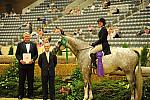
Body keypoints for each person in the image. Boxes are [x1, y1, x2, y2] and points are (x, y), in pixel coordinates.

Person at [15, 32, 38, 100]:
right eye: (26, 37)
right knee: (21, 81)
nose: (27, 38)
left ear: (30, 37)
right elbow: (17, 54)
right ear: (23, 37)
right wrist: (20, 60)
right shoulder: (20, 44)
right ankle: (20, 95)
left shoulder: (33, 44)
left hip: (30, 66)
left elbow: (36, 54)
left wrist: (33, 60)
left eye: (28, 37)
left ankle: (30, 95)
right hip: (22, 66)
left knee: (30, 81)